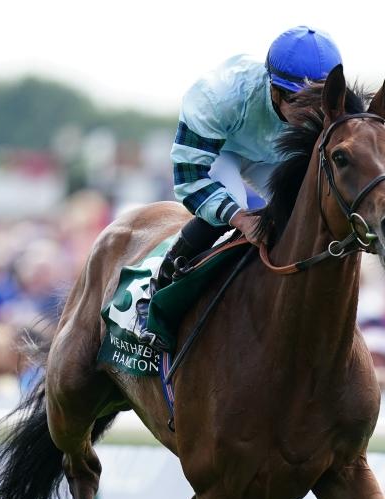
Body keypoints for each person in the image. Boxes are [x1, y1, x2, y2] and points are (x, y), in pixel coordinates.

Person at [137, 26, 342, 348]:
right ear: (274, 88)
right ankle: (157, 291)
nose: (311, 115)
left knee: (303, 214)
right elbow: (190, 179)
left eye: (319, 103)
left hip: (276, 157)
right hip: (223, 150)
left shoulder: (335, 105)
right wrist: (239, 218)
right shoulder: (218, 96)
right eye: (299, 102)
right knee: (228, 207)